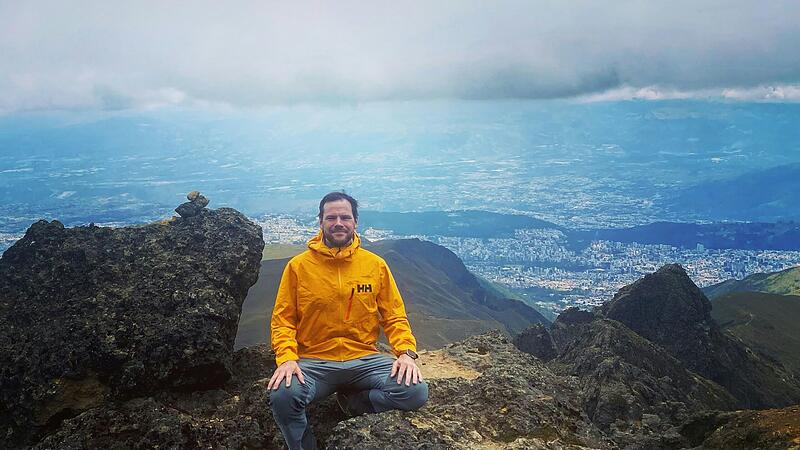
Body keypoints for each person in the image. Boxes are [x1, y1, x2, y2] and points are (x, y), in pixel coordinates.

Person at [267, 192, 428, 450]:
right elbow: (283, 319)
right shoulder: (299, 267)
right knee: (283, 395)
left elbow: (394, 315)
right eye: (331, 217)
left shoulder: (375, 266)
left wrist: (406, 353)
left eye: (345, 217)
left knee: (414, 391)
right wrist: (286, 358)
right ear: (321, 222)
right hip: (315, 362)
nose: (338, 222)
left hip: (364, 359)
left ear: (355, 222)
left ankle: (356, 403)